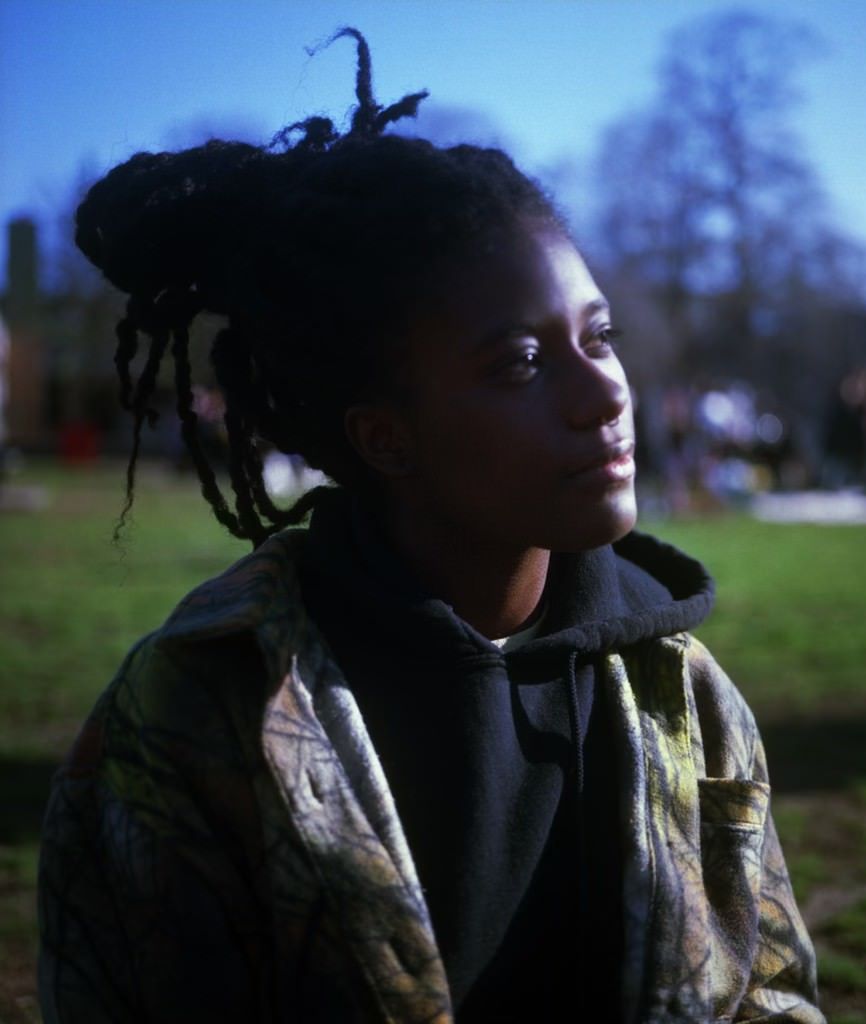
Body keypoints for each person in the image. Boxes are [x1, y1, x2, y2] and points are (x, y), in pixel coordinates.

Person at [37, 29, 823, 1024]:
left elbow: (771, 994)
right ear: (385, 436)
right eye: (519, 364)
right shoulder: (202, 714)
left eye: (598, 336)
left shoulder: (684, 696)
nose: (602, 394)